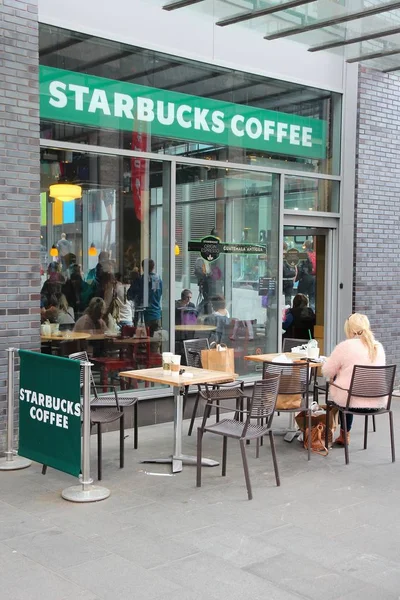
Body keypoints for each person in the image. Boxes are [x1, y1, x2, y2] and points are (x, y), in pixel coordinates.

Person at [322, 313, 386, 445]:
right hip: (377, 399)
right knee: (350, 388)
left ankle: (343, 435)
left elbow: (327, 370)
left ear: (349, 329)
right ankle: (344, 435)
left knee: (344, 391)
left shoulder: (346, 346)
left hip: (351, 401)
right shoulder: (378, 347)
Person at [130, 259, 162, 343]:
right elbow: (160, 294)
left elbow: (130, 295)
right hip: (156, 314)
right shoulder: (158, 280)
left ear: (143, 267)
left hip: (143, 316)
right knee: (155, 343)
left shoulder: (140, 280)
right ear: (153, 267)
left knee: (142, 343)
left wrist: (134, 280)